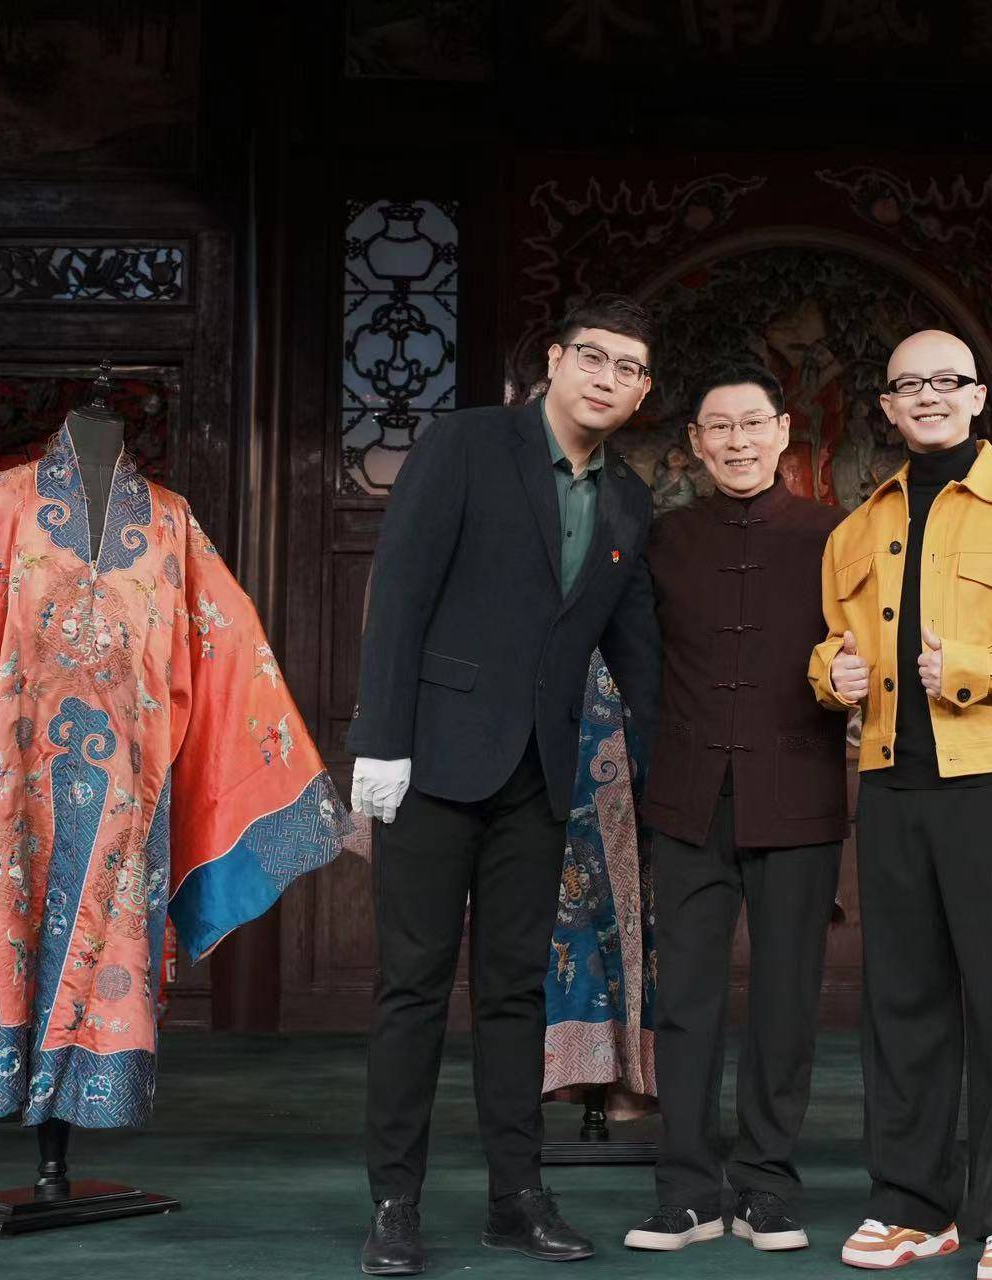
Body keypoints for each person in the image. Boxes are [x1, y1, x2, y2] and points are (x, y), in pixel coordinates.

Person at [348, 294, 665, 1275]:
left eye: (629, 369)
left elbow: (639, 653)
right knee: (412, 988)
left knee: (516, 992)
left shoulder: (629, 499)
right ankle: (394, 1204)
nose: (608, 378)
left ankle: (516, 1200)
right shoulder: (466, 443)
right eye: (595, 358)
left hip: (539, 775)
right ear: (557, 360)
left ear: (643, 393)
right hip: (431, 761)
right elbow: (400, 590)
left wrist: (668, 769)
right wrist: (380, 742)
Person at [809, 330, 992, 1280]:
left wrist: (973, 666)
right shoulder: (857, 529)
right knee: (902, 1002)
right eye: (909, 385)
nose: (928, 396)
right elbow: (831, 644)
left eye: (946, 381)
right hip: (891, 782)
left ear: (978, 397)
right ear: (887, 408)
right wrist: (829, 674)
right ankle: (912, 1206)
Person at [622, 365, 849, 1255]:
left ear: (785, 431)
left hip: (797, 794)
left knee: (787, 1002)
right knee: (685, 999)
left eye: (753, 423)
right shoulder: (663, 539)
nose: (738, 441)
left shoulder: (837, 535)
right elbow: (636, 661)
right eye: (719, 427)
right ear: (695, 444)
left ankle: (766, 1186)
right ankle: (684, 1190)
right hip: (687, 797)